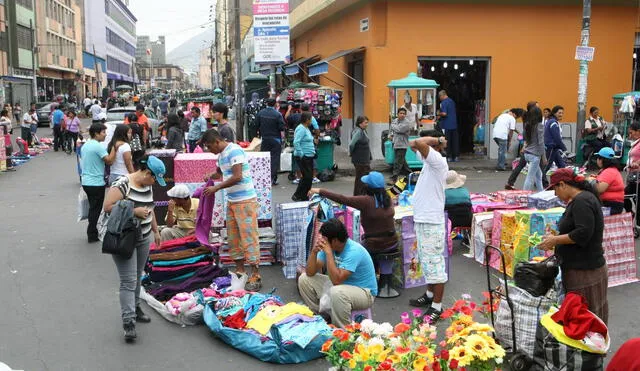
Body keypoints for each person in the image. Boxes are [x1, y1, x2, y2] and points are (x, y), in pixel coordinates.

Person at [103, 155, 165, 342]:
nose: (154, 182)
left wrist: (156, 230)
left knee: (138, 275)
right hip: (124, 238)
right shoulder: (122, 183)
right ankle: (128, 322)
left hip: (143, 237)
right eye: (154, 178)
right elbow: (107, 206)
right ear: (147, 172)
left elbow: (150, 207)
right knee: (128, 281)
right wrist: (133, 211)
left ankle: (136, 307)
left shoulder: (147, 185)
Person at [539, 167, 608, 325]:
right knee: (585, 315)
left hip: (585, 270)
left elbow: (583, 233)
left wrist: (555, 241)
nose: (555, 194)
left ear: (562, 185)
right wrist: (554, 238)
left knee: (585, 316)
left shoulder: (582, 201)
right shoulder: (581, 199)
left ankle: (590, 348)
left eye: (555, 189)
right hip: (581, 267)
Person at [201, 129, 262, 291]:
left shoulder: (234, 150)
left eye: (209, 146)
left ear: (216, 141)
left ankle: (255, 273)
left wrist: (217, 187)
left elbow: (237, 176)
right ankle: (241, 270)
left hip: (245, 201)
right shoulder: (221, 156)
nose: (209, 151)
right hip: (233, 201)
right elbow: (219, 173)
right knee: (234, 238)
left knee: (249, 237)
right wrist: (210, 176)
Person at [298, 218, 377, 328]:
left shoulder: (354, 251)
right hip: (341, 287)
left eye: (324, 239)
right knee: (304, 279)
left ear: (334, 241)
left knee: (337, 292)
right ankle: (320, 319)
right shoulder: (330, 247)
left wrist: (329, 253)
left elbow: (336, 281)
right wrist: (314, 252)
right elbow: (310, 272)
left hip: (364, 293)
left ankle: (342, 332)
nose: (322, 241)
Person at [408, 130, 449, 323]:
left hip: (431, 221)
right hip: (424, 220)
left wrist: (438, 140)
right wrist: (434, 141)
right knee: (427, 261)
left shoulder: (438, 161)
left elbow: (418, 141)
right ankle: (430, 295)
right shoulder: (428, 162)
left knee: (435, 266)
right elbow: (413, 144)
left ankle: (437, 307)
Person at [308, 171, 397, 254]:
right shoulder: (387, 199)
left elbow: (342, 199)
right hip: (393, 242)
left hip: (374, 245)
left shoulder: (365, 201)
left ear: (368, 187)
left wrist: (320, 191)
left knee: (349, 252)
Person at [81, 123, 119, 243]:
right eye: (103, 132)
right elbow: (109, 161)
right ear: (96, 133)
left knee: (93, 207)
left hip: (86, 181)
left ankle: (92, 231)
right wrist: (114, 148)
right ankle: (92, 234)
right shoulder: (97, 146)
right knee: (95, 209)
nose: (105, 134)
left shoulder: (86, 145)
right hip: (96, 182)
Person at [257, 98, 286, 185]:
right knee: (274, 159)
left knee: (265, 159)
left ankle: (264, 177)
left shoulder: (261, 113)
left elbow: (256, 124)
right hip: (275, 139)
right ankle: (272, 178)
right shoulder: (278, 114)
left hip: (265, 139)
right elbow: (281, 127)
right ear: (275, 104)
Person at [589, 147, 624, 215]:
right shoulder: (609, 170)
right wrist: (596, 178)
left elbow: (600, 189)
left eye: (598, 158)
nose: (597, 160)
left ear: (602, 160)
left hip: (611, 206)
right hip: (610, 204)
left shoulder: (609, 171)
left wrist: (591, 181)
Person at [292, 112, 316, 202]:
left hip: (309, 156)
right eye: (311, 119)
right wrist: (302, 154)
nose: (311, 121)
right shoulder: (301, 128)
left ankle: (304, 195)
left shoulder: (306, 128)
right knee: (307, 177)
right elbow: (296, 142)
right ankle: (298, 195)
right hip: (303, 157)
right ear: (307, 120)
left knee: (308, 177)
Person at [523, 106, 546, 191]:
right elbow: (541, 142)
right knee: (530, 177)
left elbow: (525, 139)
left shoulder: (527, 125)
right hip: (535, 155)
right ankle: (524, 196)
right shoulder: (539, 126)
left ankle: (541, 193)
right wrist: (544, 157)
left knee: (538, 175)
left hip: (527, 153)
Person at [350, 116, 372, 196]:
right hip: (360, 160)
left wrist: (370, 156)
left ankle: (362, 195)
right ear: (360, 123)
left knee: (364, 178)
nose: (367, 124)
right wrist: (351, 153)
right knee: (360, 179)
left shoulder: (363, 131)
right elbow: (351, 144)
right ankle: (358, 196)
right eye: (365, 123)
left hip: (364, 159)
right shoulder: (358, 132)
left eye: (367, 122)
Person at [544, 105, 567, 176]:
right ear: (554, 113)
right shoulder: (553, 122)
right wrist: (563, 148)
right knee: (546, 166)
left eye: (562, 113)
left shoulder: (551, 121)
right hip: (551, 147)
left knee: (561, 165)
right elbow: (557, 137)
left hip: (554, 147)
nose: (561, 115)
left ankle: (561, 180)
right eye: (559, 113)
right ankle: (541, 182)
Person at [390, 107, 412, 182]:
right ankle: (411, 176)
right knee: (402, 163)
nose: (402, 115)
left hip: (402, 145)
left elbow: (399, 130)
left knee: (397, 163)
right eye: (401, 113)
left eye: (404, 114)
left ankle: (394, 178)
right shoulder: (395, 121)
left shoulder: (407, 123)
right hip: (396, 143)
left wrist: (393, 126)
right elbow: (392, 130)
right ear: (397, 114)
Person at [625, 122, 640, 224]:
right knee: (624, 196)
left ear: (638, 131)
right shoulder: (636, 143)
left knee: (637, 202)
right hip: (632, 176)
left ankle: (637, 226)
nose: (630, 136)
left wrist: (637, 163)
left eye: (631, 133)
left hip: (638, 176)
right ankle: (631, 214)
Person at [438, 90, 458, 162]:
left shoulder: (443, 103)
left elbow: (444, 113)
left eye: (439, 97)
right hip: (454, 124)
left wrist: (438, 114)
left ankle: (448, 156)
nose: (439, 99)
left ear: (442, 96)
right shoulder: (452, 101)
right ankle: (455, 156)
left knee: (447, 141)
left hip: (446, 125)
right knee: (454, 141)